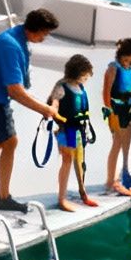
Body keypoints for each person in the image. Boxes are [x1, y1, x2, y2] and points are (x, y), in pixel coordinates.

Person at [0, 9, 62, 219]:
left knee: (10, 142)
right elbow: (15, 91)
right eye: (45, 33)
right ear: (35, 30)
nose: (45, 38)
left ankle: (3, 197)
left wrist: (42, 105)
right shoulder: (10, 46)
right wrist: (44, 109)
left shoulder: (21, 37)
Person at [46, 55, 99, 212]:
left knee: (79, 162)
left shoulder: (80, 87)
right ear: (77, 73)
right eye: (85, 76)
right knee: (67, 161)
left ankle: (83, 194)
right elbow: (54, 102)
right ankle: (62, 199)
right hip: (65, 129)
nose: (86, 79)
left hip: (79, 130)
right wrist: (53, 110)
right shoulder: (61, 86)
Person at [100, 37, 131, 196]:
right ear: (130, 53)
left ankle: (125, 174)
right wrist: (109, 111)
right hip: (116, 109)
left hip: (129, 108)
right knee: (117, 143)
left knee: (127, 143)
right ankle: (110, 181)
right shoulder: (113, 68)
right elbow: (106, 92)